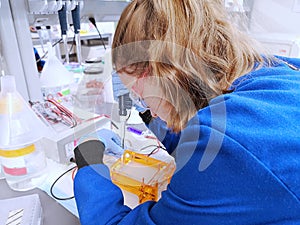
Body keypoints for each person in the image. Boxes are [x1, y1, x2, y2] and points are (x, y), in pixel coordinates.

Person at [73, 0, 300, 224]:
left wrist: (89, 162)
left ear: (164, 72)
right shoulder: (270, 70)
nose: (147, 108)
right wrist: (153, 114)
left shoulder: (227, 142)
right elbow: (196, 127)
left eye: (138, 95)